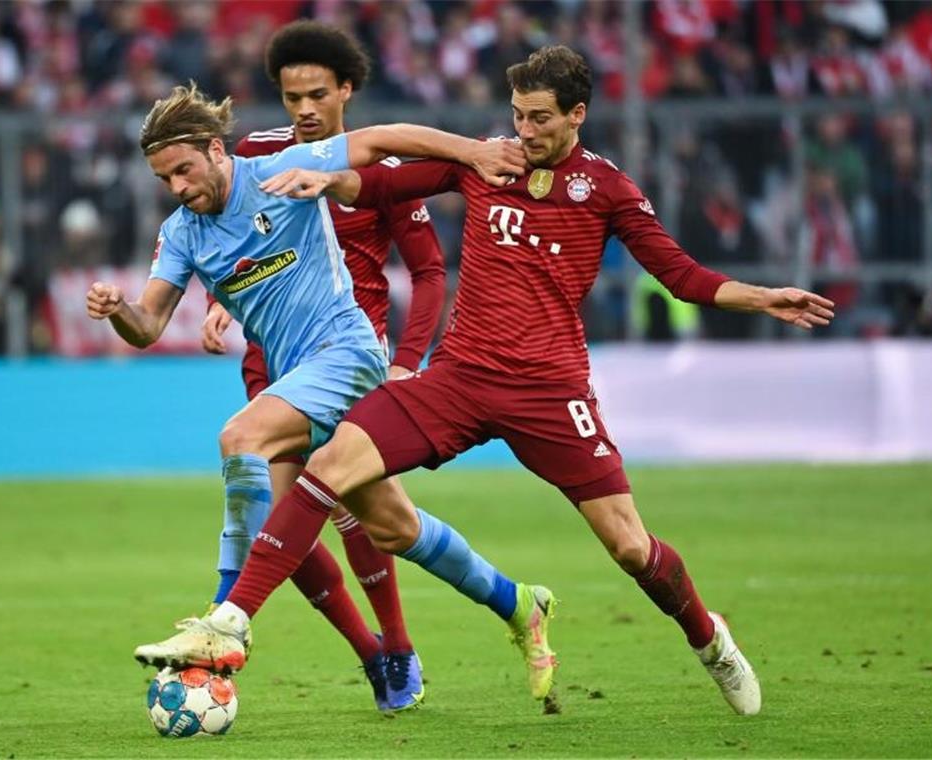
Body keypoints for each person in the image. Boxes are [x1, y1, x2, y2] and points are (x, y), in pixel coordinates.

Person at [134, 47, 835, 715]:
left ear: (577, 115)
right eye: (517, 115)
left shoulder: (607, 189)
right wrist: (332, 181)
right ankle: (231, 622)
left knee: (629, 546)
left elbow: (682, 277)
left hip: (550, 391)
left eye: (539, 118)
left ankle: (708, 640)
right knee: (325, 468)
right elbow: (384, 182)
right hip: (461, 378)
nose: (523, 132)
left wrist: (761, 295)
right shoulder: (486, 164)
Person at [86, 82, 530, 705]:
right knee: (395, 529)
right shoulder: (181, 232)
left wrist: (475, 152)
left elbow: (382, 140)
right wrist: (118, 311)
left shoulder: (279, 172)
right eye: (165, 179)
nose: (179, 187)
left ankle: (222, 614)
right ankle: (520, 605)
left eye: (184, 170)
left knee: (240, 437)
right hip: (295, 379)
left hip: (347, 356)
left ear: (216, 150)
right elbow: (149, 325)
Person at [197, 22, 448, 712]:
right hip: (271, 357)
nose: (304, 110)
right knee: (282, 514)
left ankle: (397, 645)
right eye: (291, 97)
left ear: (345, 91)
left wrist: (405, 363)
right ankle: (371, 653)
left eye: (316, 95)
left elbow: (429, 274)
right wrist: (221, 302)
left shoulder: (377, 174)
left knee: (348, 501)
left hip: (349, 356)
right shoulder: (256, 156)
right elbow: (225, 241)